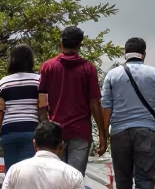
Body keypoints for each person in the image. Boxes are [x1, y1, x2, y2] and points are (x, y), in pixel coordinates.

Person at [101, 37, 155, 189]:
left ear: (124, 54)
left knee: (123, 180)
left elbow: (106, 108)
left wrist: (103, 136)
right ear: (144, 54)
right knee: (144, 179)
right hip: (146, 132)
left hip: (119, 133)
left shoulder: (112, 75)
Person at [38, 26, 105, 174]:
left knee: (56, 179)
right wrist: (102, 133)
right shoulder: (88, 69)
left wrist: (44, 126)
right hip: (80, 131)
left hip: (55, 133)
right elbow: (95, 102)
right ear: (80, 44)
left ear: (61, 42)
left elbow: (42, 100)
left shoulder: (48, 67)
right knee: (75, 179)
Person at [0, 43, 41, 171]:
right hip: (31, 132)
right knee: (29, 176)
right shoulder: (38, 80)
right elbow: (42, 108)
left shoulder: (4, 82)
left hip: (9, 133)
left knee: (11, 176)